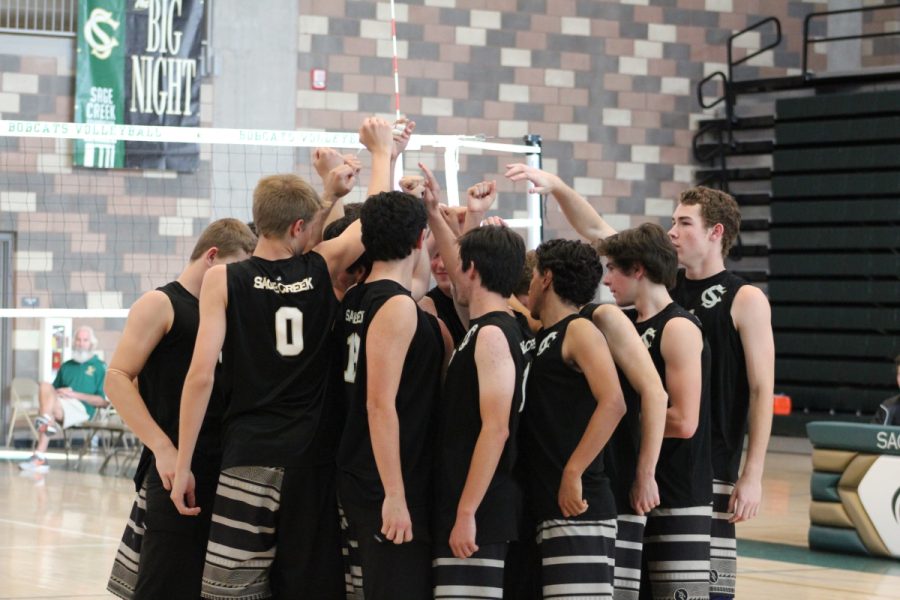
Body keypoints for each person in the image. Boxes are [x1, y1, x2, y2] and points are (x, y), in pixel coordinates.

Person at [506, 166, 773, 600]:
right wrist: (556, 186)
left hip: (707, 470)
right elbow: (596, 230)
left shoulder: (743, 297)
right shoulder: (656, 288)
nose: (672, 232)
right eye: (671, 222)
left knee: (699, 590)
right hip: (638, 469)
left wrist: (753, 473)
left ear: (715, 232)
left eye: (684, 223)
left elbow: (762, 391)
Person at [169, 117, 393, 600]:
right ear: (299, 226)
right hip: (310, 460)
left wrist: (184, 462)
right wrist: (381, 154)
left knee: (232, 590)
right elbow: (375, 218)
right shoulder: (322, 267)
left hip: (247, 457)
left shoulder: (222, 281)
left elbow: (201, 377)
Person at [105, 218, 257, 600]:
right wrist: (164, 447)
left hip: (224, 466)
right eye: (236, 268)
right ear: (211, 257)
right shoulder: (162, 303)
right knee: (163, 583)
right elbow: (118, 378)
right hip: (175, 469)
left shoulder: (226, 310)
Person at [421, 163, 533, 600]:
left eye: (458, 265)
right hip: (471, 502)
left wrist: (466, 511)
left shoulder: (490, 334)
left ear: (472, 270)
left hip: (480, 510)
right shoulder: (491, 323)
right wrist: (434, 213)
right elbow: (461, 264)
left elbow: (497, 428)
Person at [337, 190, 451, 599]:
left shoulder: (358, 296)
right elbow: (379, 404)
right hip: (385, 482)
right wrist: (395, 495)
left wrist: (426, 211)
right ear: (420, 241)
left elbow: (415, 281)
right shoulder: (397, 308)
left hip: (361, 473)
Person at [596, 223, 713, 600]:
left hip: (678, 492)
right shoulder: (625, 324)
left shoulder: (677, 326)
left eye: (613, 268)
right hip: (637, 491)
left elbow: (683, 420)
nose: (607, 279)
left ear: (639, 269)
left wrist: (612, 425)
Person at [521, 238, 625, 599]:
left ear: (546, 277)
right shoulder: (543, 336)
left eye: (532, 276)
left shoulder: (578, 329)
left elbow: (613, 402)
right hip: (548, 506)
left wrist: (573, 471)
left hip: (580, 506)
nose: (528, 286)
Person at [19, 325, 108, 472]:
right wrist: (60, 392)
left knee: (47, 412)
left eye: (85, 340)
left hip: (82, 409)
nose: (81, 343)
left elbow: (103, 402)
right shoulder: (66, 366)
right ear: (74, 342)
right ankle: (43, 436)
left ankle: (40, 452)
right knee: (45, 385)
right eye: (78, 340)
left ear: (91, 344)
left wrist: (74, 395)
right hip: (62, 404)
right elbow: (51, 393)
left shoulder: (100, 367)